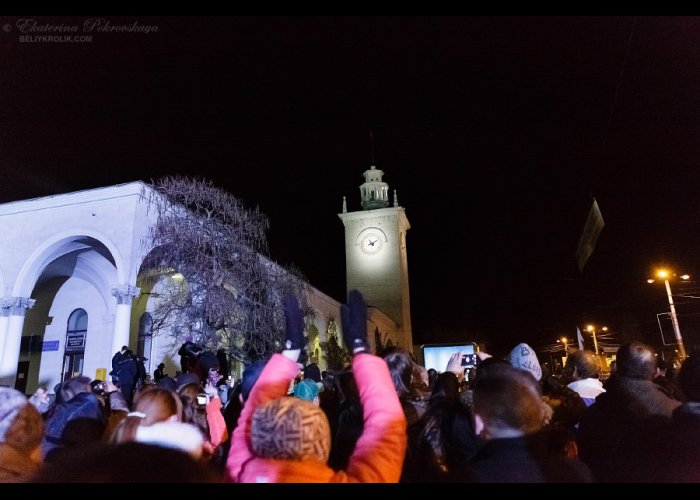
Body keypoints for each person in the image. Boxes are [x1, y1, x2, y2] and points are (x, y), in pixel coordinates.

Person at [226, 290, 406, 483]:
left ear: (261, 436)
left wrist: (290, 353)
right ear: (323, 442)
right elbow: (387, 431)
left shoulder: (241, 474)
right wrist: (361, 350)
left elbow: (387, 431)